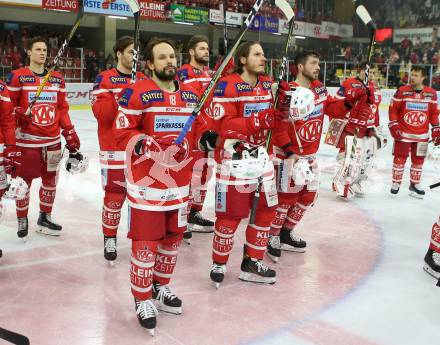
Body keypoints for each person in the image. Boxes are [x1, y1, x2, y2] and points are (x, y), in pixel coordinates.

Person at [113, 37, 214, 334]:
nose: (170, 61)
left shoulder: (191, 95)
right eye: (162, 57)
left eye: (172, 56)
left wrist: (210, 139)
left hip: (180, 186)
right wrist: (147, 144)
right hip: (148, 187)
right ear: (150, 64)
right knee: (146, 244)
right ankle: (141, 297)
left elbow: (200, 130)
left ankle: (161, 286)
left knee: (172, 241)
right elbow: (121, 132)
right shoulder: (136, 93)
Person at [208, 41, 286, 287]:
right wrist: (258, 120)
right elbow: (224, 125)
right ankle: (219, 262)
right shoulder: (227, 85)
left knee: (265, 212)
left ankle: (252, 261)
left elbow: (276, 119)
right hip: (234, 162)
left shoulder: (266, 85)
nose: (264, 58)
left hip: (263, 160)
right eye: (257, 54)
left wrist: (287, 100)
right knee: (230, 215)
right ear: (242, 59)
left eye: (264, 54)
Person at [267, 51, 355, 262]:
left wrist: (352, 101)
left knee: (308, 196)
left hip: (310, 156)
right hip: (289, 156)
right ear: (299, 66)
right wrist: (289, 150)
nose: (318, 67)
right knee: (286, 198)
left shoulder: (319, 88)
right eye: (313, 63)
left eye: (318, 63)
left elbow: (333, 108)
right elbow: (278, 126)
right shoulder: (288, 91)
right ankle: (272, 236)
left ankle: (286, 231)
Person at [5, 36, 81, 240]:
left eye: (45, 49)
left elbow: (62, 109)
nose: (42, 53)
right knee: (23, 182)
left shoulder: (57, 78)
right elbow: (6, 108)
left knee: (50, 181)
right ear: (28, 52)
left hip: (52, 143)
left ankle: (44, 217)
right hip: (27, 142)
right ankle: (22, 218)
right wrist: (19, 112)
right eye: (38, 49)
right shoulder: (17, 77)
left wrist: (69, 132)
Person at [92, 36, 147, 265]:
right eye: (130, 52)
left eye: (137, 53)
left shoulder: (144, 80)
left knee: (141, 199)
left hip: (138, 150)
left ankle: (141, 240)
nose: (135, 56)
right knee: (114, 197)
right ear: (118, 54)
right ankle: (109, 237)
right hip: (113, 149)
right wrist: (123, 96)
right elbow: (102, 115)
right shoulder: (104, 79)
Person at [177, 35, 214, 240]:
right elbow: (193, 98)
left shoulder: (208, 74)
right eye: (201, 48)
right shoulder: (184, 72)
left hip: (209, 130)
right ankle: (182, 215)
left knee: (203, 174)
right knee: (190, 176)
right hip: (192, 131)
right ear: (191, 51)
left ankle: (194, 212)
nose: (206, 51)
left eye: (207, 48)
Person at [328, 62, 384, 199]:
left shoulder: (375, 87)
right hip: (349, 127)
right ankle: (340, 182)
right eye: (368, 72)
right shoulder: (348, 84)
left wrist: (376, 127)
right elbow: (337, 104)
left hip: (367, 129)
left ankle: (356, 182)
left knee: (364, 159)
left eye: (373, 72)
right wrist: (335, 124)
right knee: (346, 156)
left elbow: (374, 110)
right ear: (360, 71)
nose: (370, 75)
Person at [388, 66, 439, 198]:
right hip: (403, 135)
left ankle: (415, 184)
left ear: (423, 77)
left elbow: (434, 113)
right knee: (399, 159)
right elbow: (393, 109)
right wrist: (393, 124)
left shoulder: (431, 93)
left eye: (416, 75)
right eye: (412, 74)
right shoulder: (402, 91)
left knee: (418, 161)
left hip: (422, 136)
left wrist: (436, 128)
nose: (412, 77)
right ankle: (396, 182)